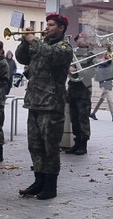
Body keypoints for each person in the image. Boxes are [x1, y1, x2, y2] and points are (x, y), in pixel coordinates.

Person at [16, 14, 73, 200]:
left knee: (50, 147)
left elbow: (50, 56)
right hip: (34, 102)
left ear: (61, 28)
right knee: (35, 145)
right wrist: (25, 42)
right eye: (46, 24)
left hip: (51, 103)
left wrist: (33, 40)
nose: (46, 28)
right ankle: (38, 180)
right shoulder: (39, 44)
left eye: (51, 25)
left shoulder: (63, 47)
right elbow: (20, 57)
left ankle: (50, 185)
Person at [64, 33, 94, 156]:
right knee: (74, 118)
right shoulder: (74, 53)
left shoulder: (91, 55)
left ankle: (83, 144)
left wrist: (79, 70)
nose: (79, 41)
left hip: (84, 90)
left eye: (82, 39)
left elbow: (92, 72)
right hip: (73, 89)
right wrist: (69, 68)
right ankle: (76, 142)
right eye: (78, 39)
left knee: (83, 118)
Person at [91, 53, 113, 121]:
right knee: (108, 98)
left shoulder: (111, 62)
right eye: (108, 54)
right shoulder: (102, 63)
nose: (109, 55)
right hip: (103, 82)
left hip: (108, 82)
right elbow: (98, 73)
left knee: (102, 99)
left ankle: (93, 113)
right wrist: (101, 82)